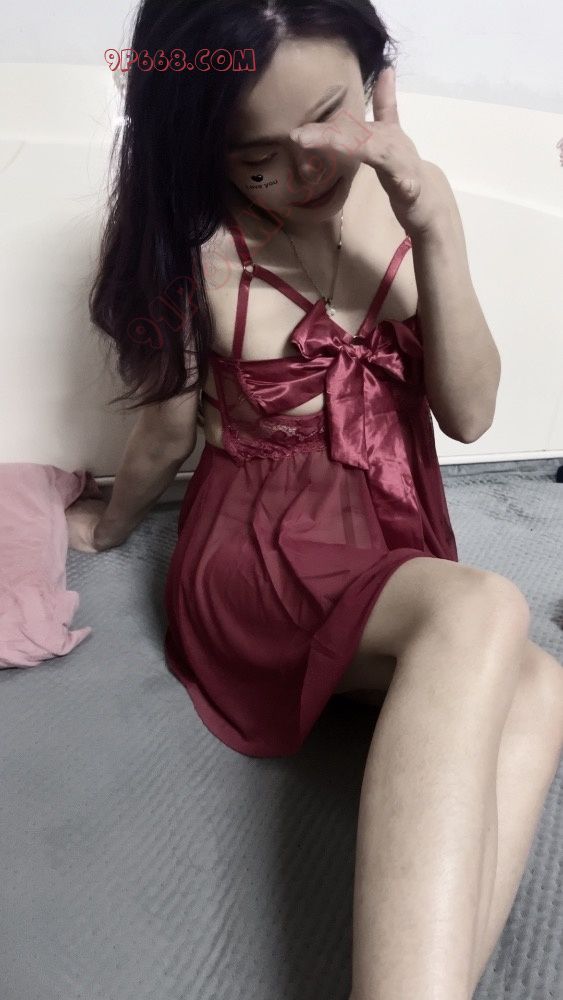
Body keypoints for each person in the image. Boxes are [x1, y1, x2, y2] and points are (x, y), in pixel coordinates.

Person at [66, 2, 563, 998]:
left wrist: (435, 226)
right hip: (256, 558)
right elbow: (164, 433)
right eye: (259, 160)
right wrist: (105, 524)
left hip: (389, 540)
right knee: (482, 606)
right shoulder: (194, 246)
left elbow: (468, 415)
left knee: (540, 684)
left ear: (375, 81)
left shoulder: (408, 196)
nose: (308, 172)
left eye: (330, 119)